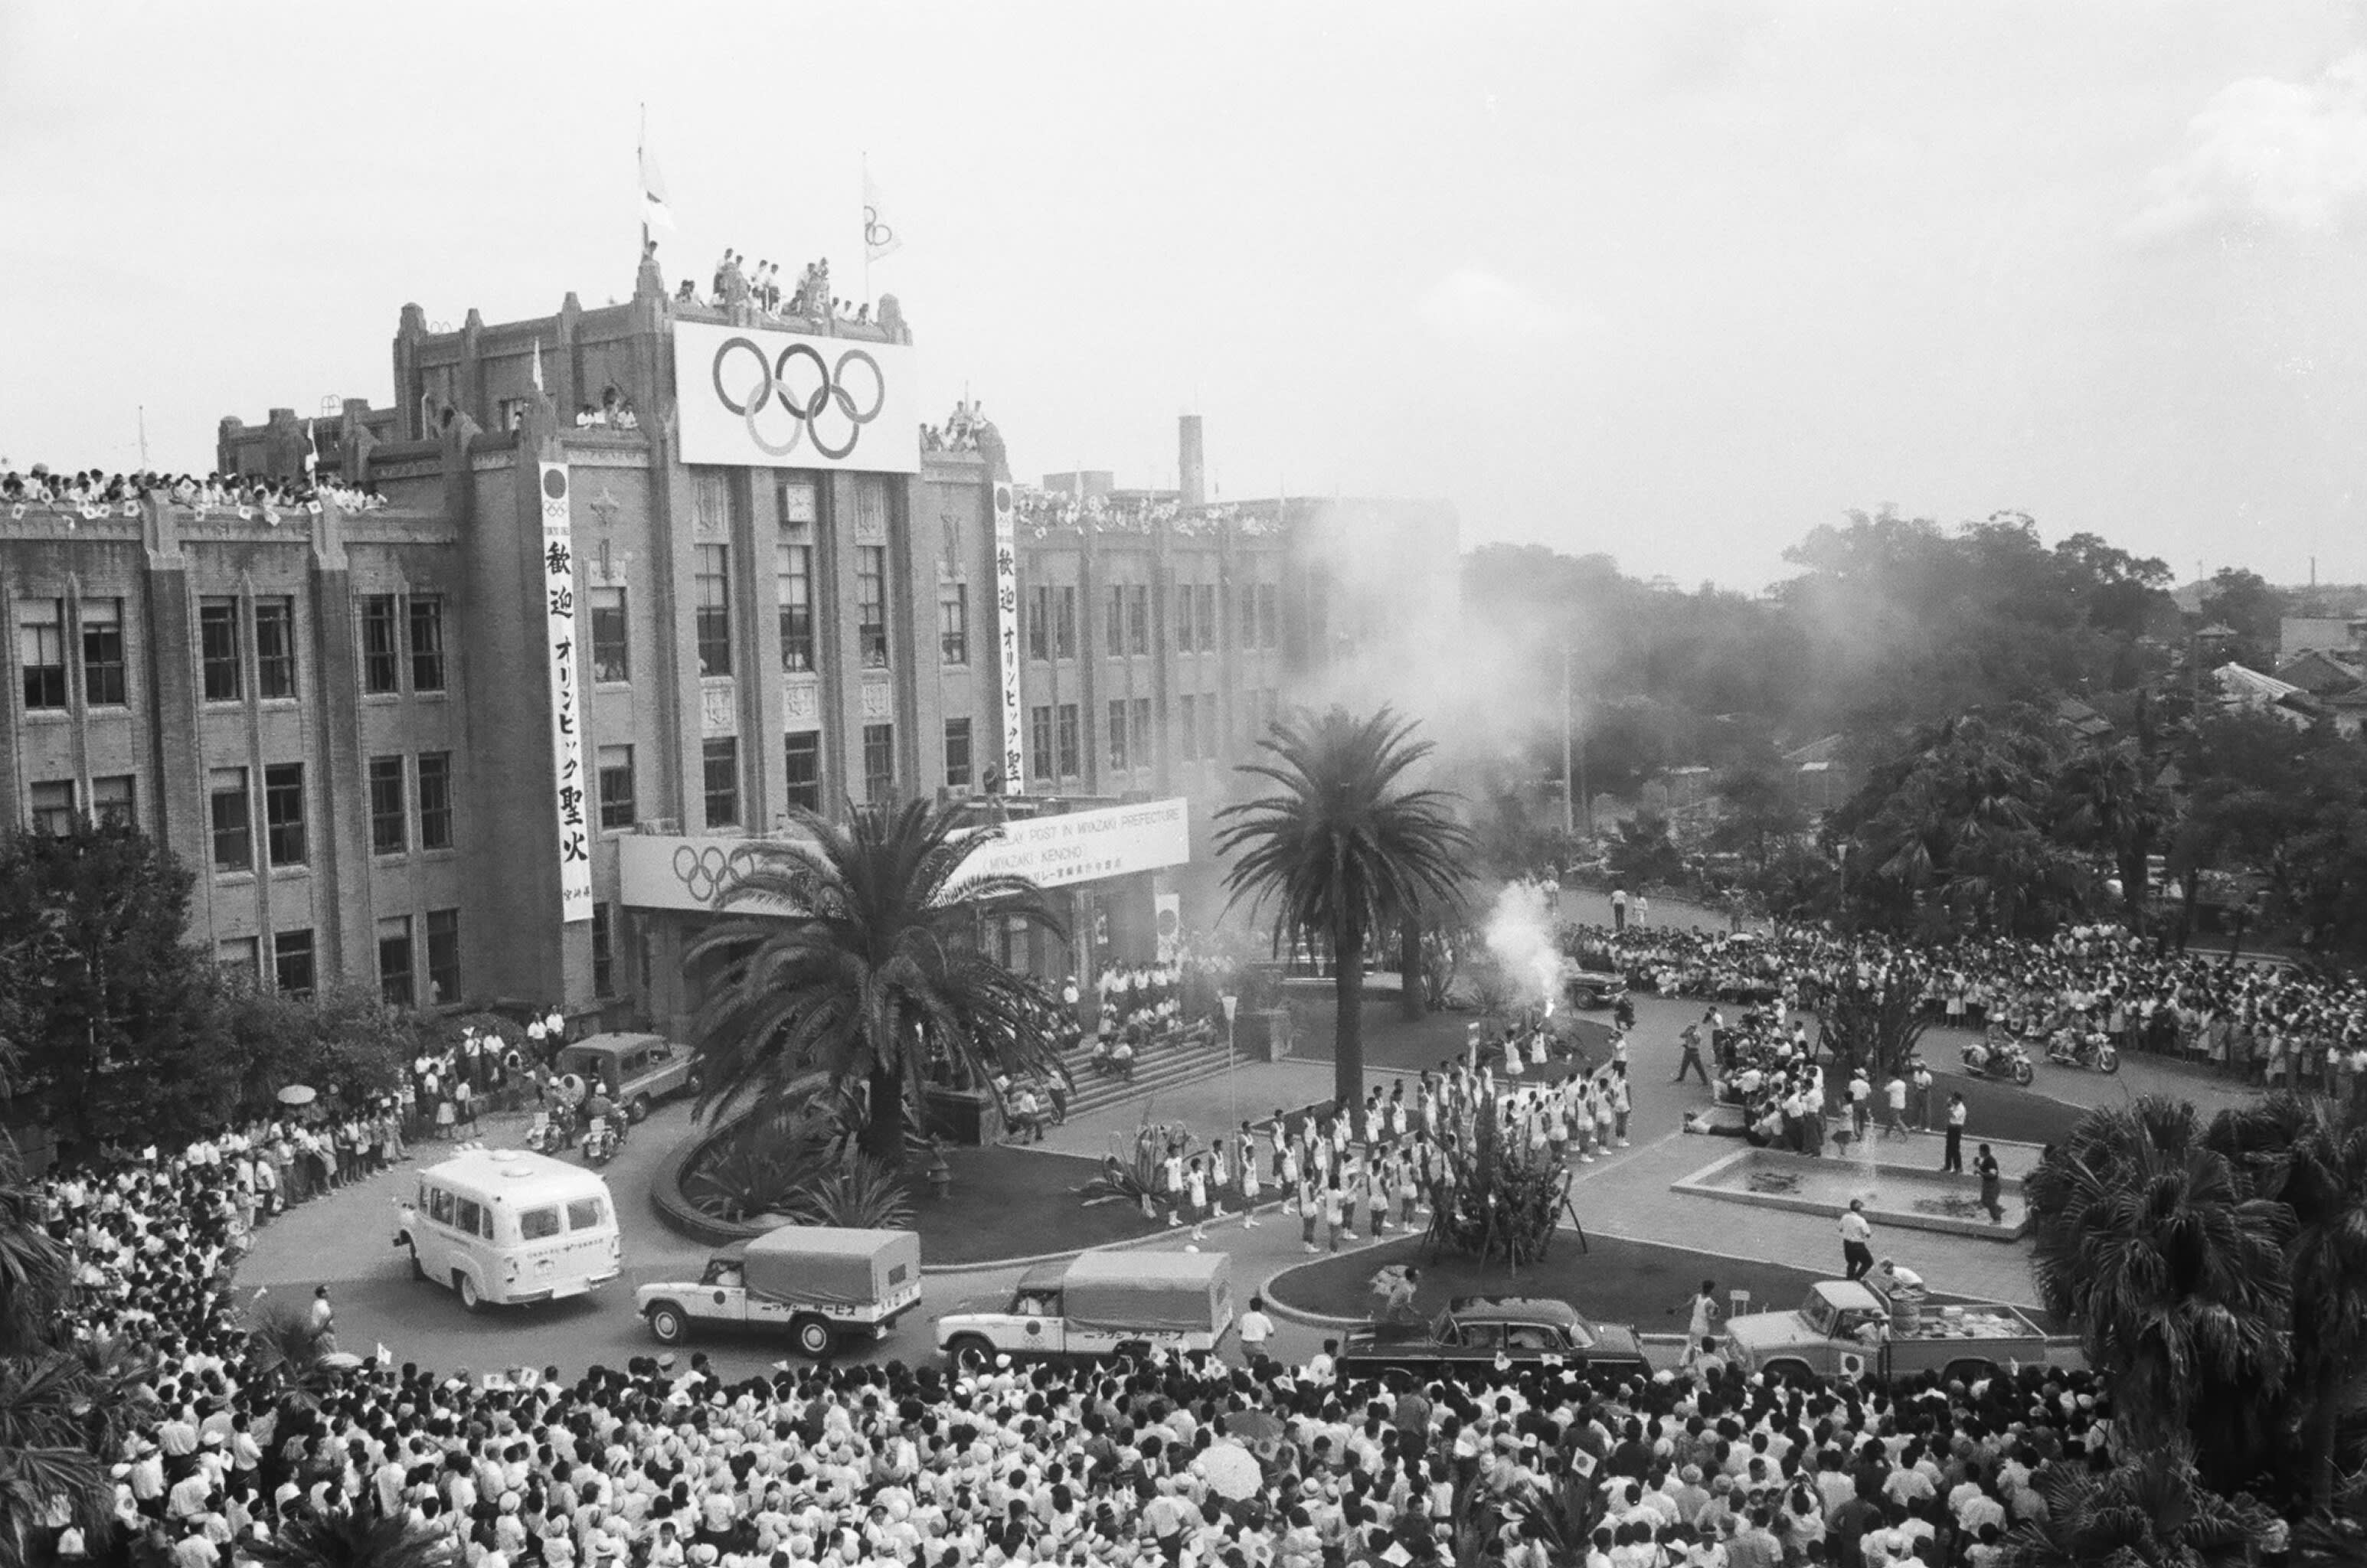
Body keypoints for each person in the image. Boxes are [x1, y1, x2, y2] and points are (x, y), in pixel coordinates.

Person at [1839, 1200, 1875, 1282]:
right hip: (1858, 1245)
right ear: (1859, 1209)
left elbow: (1840, 1229)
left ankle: (1849, 1280)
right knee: (1868, 1262)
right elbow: (1868, 1234)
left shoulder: (1845, 1217)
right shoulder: (1861, 1220)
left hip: (1847, 1244)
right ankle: (1857, 1278)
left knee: (1852, 1263)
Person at [1236, 1295, 1275, 1360]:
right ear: (1261, 1307)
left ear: (1250, 1306)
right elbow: (1271, 1333)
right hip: (1257, 1347)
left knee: (1249, 1359)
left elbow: (1239, 1331)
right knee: (1266, 1361)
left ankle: (1250, 1368)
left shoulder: (1244, 1316)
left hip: (1244, 1346)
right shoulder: (1264, 1318)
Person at [1975, 1143, 2005, 1224]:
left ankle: (1997, 1219)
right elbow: (1984, 1169)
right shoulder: (1986, 1160)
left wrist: (1980, 1173)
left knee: (1990, 1202)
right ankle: (1998, 1209)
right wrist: (1978, 1165)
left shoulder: (1991, 1161)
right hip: (1987, 1184)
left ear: (1984, 1152)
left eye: (1980, 1151)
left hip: (1992, 1185)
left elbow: (1993, 1174)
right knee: (1984, 1201)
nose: (1979, 1153)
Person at [1674, 1022, 1711, 1086]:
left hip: (1694, 1052)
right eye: (1690, 1026)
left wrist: (1692, 1035)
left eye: (1692, 1027)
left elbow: (1696, 1041)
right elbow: (1681, 1036)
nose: (1690, 1028)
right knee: (1684, 1065)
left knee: (1699, 1067)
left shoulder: (1698, 1034)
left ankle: (1705, 1080)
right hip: (1688, 1050)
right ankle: (1681, 1077)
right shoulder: (1688, 1032)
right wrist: (1686, 1031)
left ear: (1695, 1028)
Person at [1942, 1093, 1968, 1174]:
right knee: (1948, 1147)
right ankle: (1948, 1166)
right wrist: (1949, 1105)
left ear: (1958, 1100)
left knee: (1955, 1148)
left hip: (1957, 1128)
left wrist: (1949, 1106)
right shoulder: (1955, 1106)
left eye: (1954, 1099)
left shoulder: (1961, 1108)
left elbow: (1953, 1115)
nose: (1952, 1100)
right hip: (1951, 1127)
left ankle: (1958, 1167)